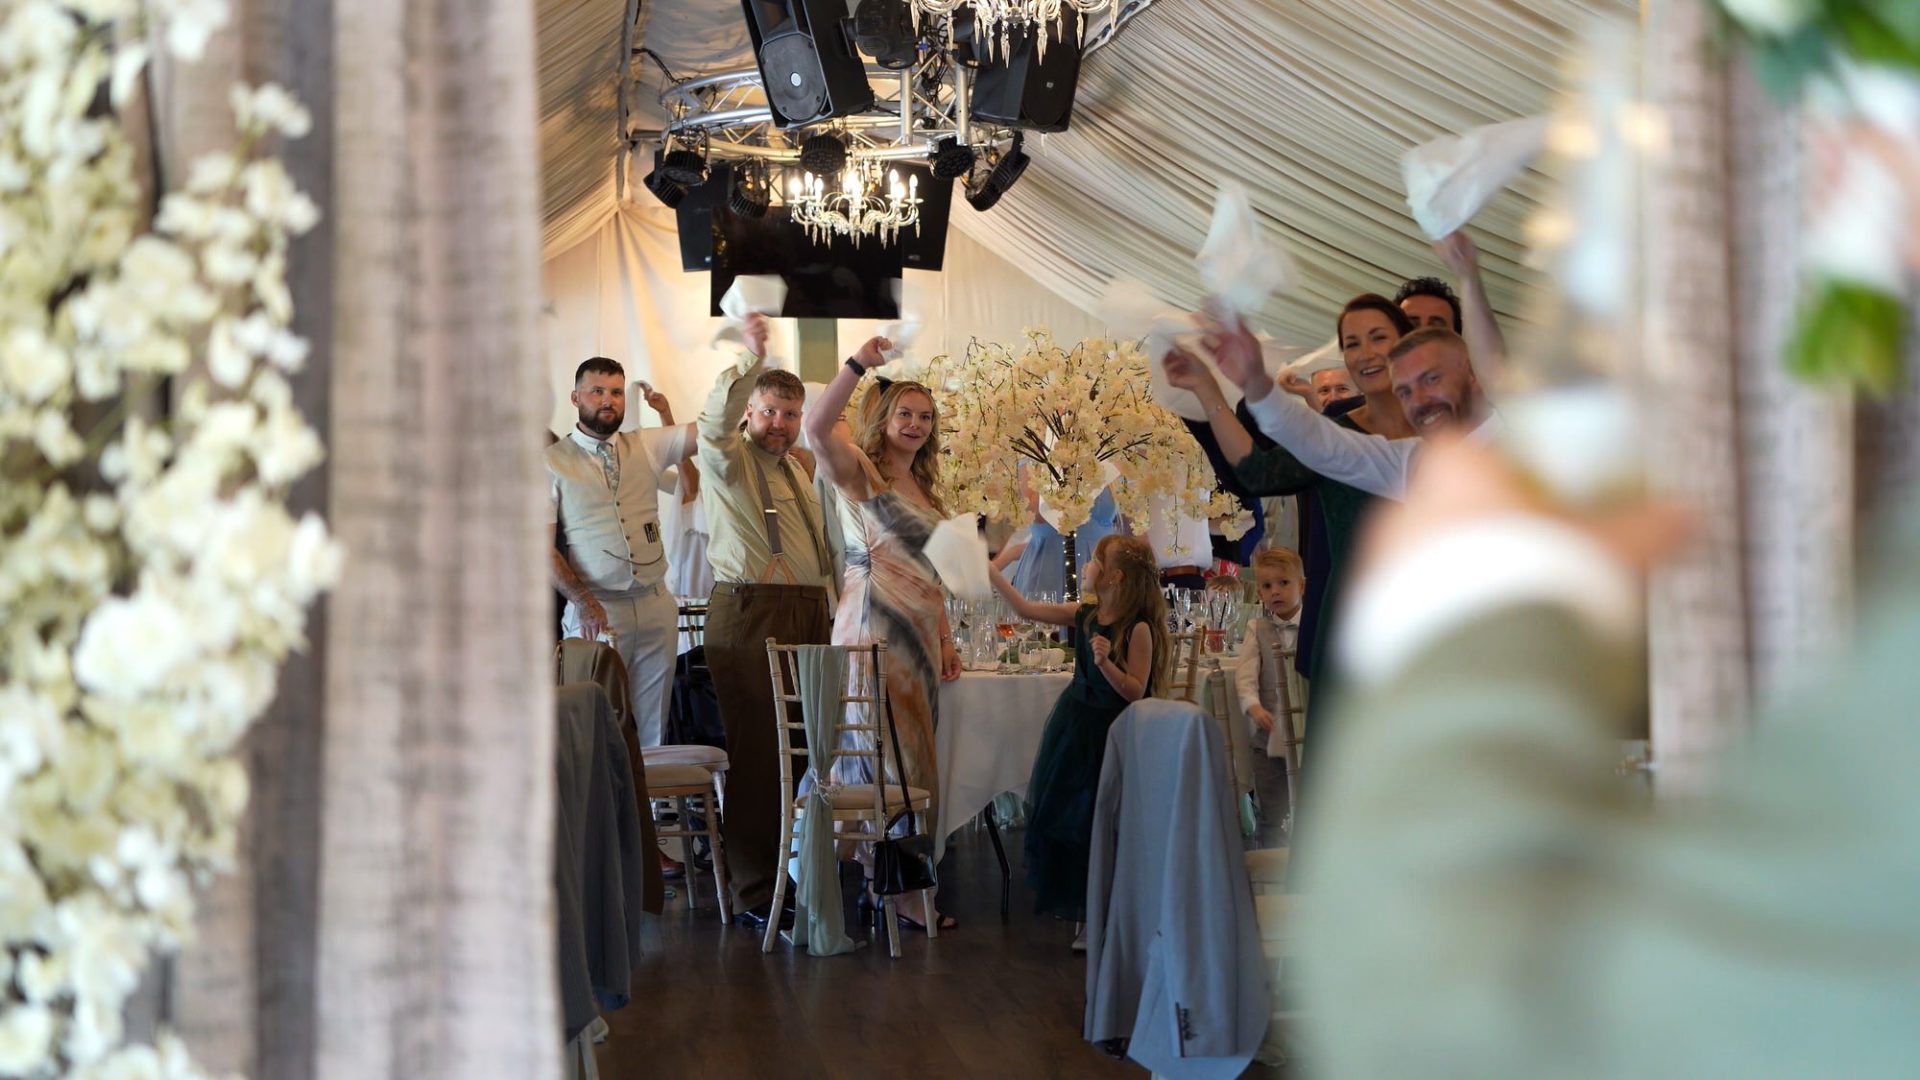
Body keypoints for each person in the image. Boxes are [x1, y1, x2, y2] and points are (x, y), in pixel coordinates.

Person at [1162, 294, 1417, 719]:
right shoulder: (1336, 435)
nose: (1366, 353)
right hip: (1353, 627)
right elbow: (1259, 474)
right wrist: (1208, 390)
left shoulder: (1444, 426)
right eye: (1352, 343)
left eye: (1378, 337)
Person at [802, 342, 963, 933]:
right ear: (884, 419)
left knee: (913, 759)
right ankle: (898, 889)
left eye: (925, 417)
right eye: (905, 414)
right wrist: (855, 364)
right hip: (875, 627)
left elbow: (933, 570)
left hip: (919, 636)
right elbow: (817, 428)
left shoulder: (924, 488)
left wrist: (945, 636)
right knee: (892, 759)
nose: (915, 425)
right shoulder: (861, 473)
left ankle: (886, 882)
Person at [695, 313, 837, 931]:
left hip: (809, 610)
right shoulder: (728, 460)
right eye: (769, 411)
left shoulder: (799, 470)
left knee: (805, 753)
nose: (779, 424)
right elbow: (711, 421)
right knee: (758, 754)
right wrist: (750, 358)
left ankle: (796, 876)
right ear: (750, 412)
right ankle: (754, 891)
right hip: (752, 611)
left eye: (789, 413)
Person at [990, 534, 1169, 949]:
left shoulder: (1136, 628)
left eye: (1093, 561)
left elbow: (1135, 691)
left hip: (1114, 732)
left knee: (1105, 821)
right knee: (1073, 819)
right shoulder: (1085, 614)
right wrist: (991, 573)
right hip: (1076, 727)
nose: (1085, 567)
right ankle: (1085, 911)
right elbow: (1025, 609)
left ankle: (1108, 914)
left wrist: (1105, 662)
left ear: (1113, 577)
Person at [547, 357, 694, 751]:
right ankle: (600, 811)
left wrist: (747, 361)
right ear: (576, 397)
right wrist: (582, 601)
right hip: (597, 608)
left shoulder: (643, 444)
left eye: (615, 392)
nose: (607, 400)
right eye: (597, 391)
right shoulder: (550, 462)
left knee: (651, 726)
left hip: (654, 602)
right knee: (592, 722)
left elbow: (708, 434)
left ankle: (645, 811)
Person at [1221, 325, 1495, 500]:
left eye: (1431, 379)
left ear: (1470, 372)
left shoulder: (1528, 438)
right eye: (1405, 392)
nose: (1420, 401)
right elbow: (1325, 445)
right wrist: (1255, 379)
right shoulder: (1409, 462)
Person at [996, 463, 1121, 598]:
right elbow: (1035, 515)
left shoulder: (1108, 453)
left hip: (1101, 568)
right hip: (1050, 565)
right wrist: (1056, 463)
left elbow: (1134, 527)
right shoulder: (1032, 458)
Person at [1236, 547, 1305, 761]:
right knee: (1272, 792)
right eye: (1267, 586)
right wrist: (1253, 707)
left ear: (1302, 586)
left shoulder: (1313, 627)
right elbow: (1245, 676)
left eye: (1283, 583)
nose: (1275, 591)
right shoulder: (1256, 629)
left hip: (1308, 735)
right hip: (1269, 735)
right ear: (1259, 594)